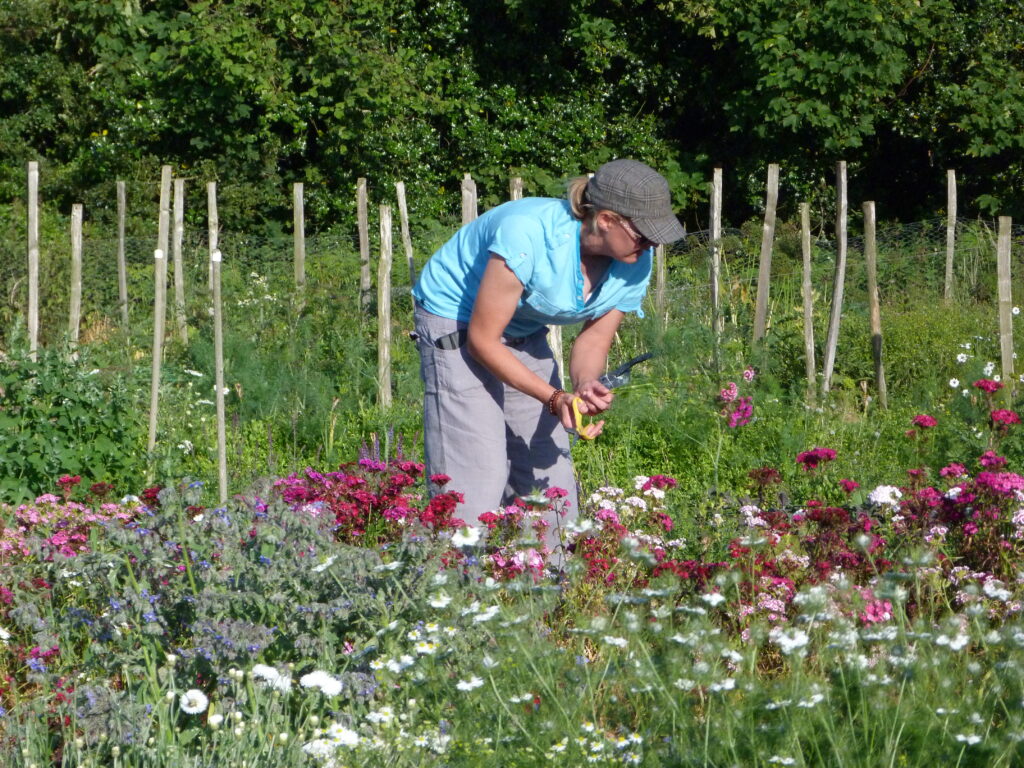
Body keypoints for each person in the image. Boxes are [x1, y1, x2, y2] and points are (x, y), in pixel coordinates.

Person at [411, 158, 685, 560]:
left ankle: (543, 596)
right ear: (606, 219)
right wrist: (554, 398)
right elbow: (483, 342)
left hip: (522, 330)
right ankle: (452, 599)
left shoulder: (634, 261)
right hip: (458, 324)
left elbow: (594, 339)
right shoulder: (529, 233)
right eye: (644, 234)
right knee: (476, 477)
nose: (652, 245)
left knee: (548, 481)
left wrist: (585, 384)